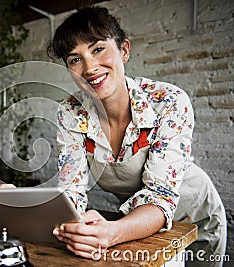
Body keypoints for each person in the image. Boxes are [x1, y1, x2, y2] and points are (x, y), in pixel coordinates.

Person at [47, 6, 227, 266]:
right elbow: (70, 189)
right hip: (133, 223)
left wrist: (111, 232)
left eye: (98, 49)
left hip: (193, 217)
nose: (89, 67)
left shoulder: (168, 102)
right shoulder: (71, 113)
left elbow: (160, 195)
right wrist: (32, 207)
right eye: (75, 59)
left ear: (124, 50)